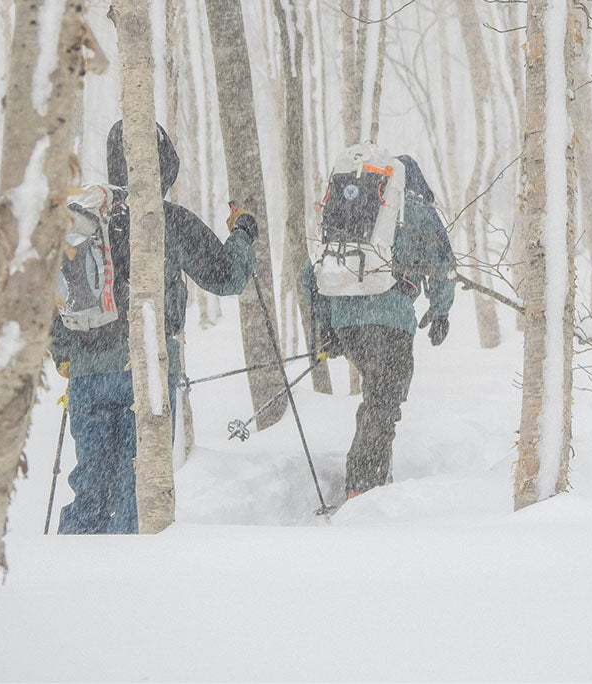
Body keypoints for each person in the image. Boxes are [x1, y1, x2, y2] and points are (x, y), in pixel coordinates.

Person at [50, 121, 257, 534]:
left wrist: (64, 356)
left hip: (87, 377)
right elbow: (228, 276)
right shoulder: (167, 220)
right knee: (138, 486)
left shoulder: (81, 223)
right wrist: (243, 233)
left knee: (90, 488)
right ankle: (128, 582)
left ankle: (72, 573)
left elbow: (53, 297)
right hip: (144, 374)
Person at [302, 146, 456, 499]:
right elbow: (445, 265)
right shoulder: (415, 211)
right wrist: (441, 311)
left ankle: (374, 483)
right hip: (391, 324)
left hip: (347, 323)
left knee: (376, 400)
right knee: (383, 405)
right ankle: (363, 489)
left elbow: (307, 276)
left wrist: (327, 329)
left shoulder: (349, 213)